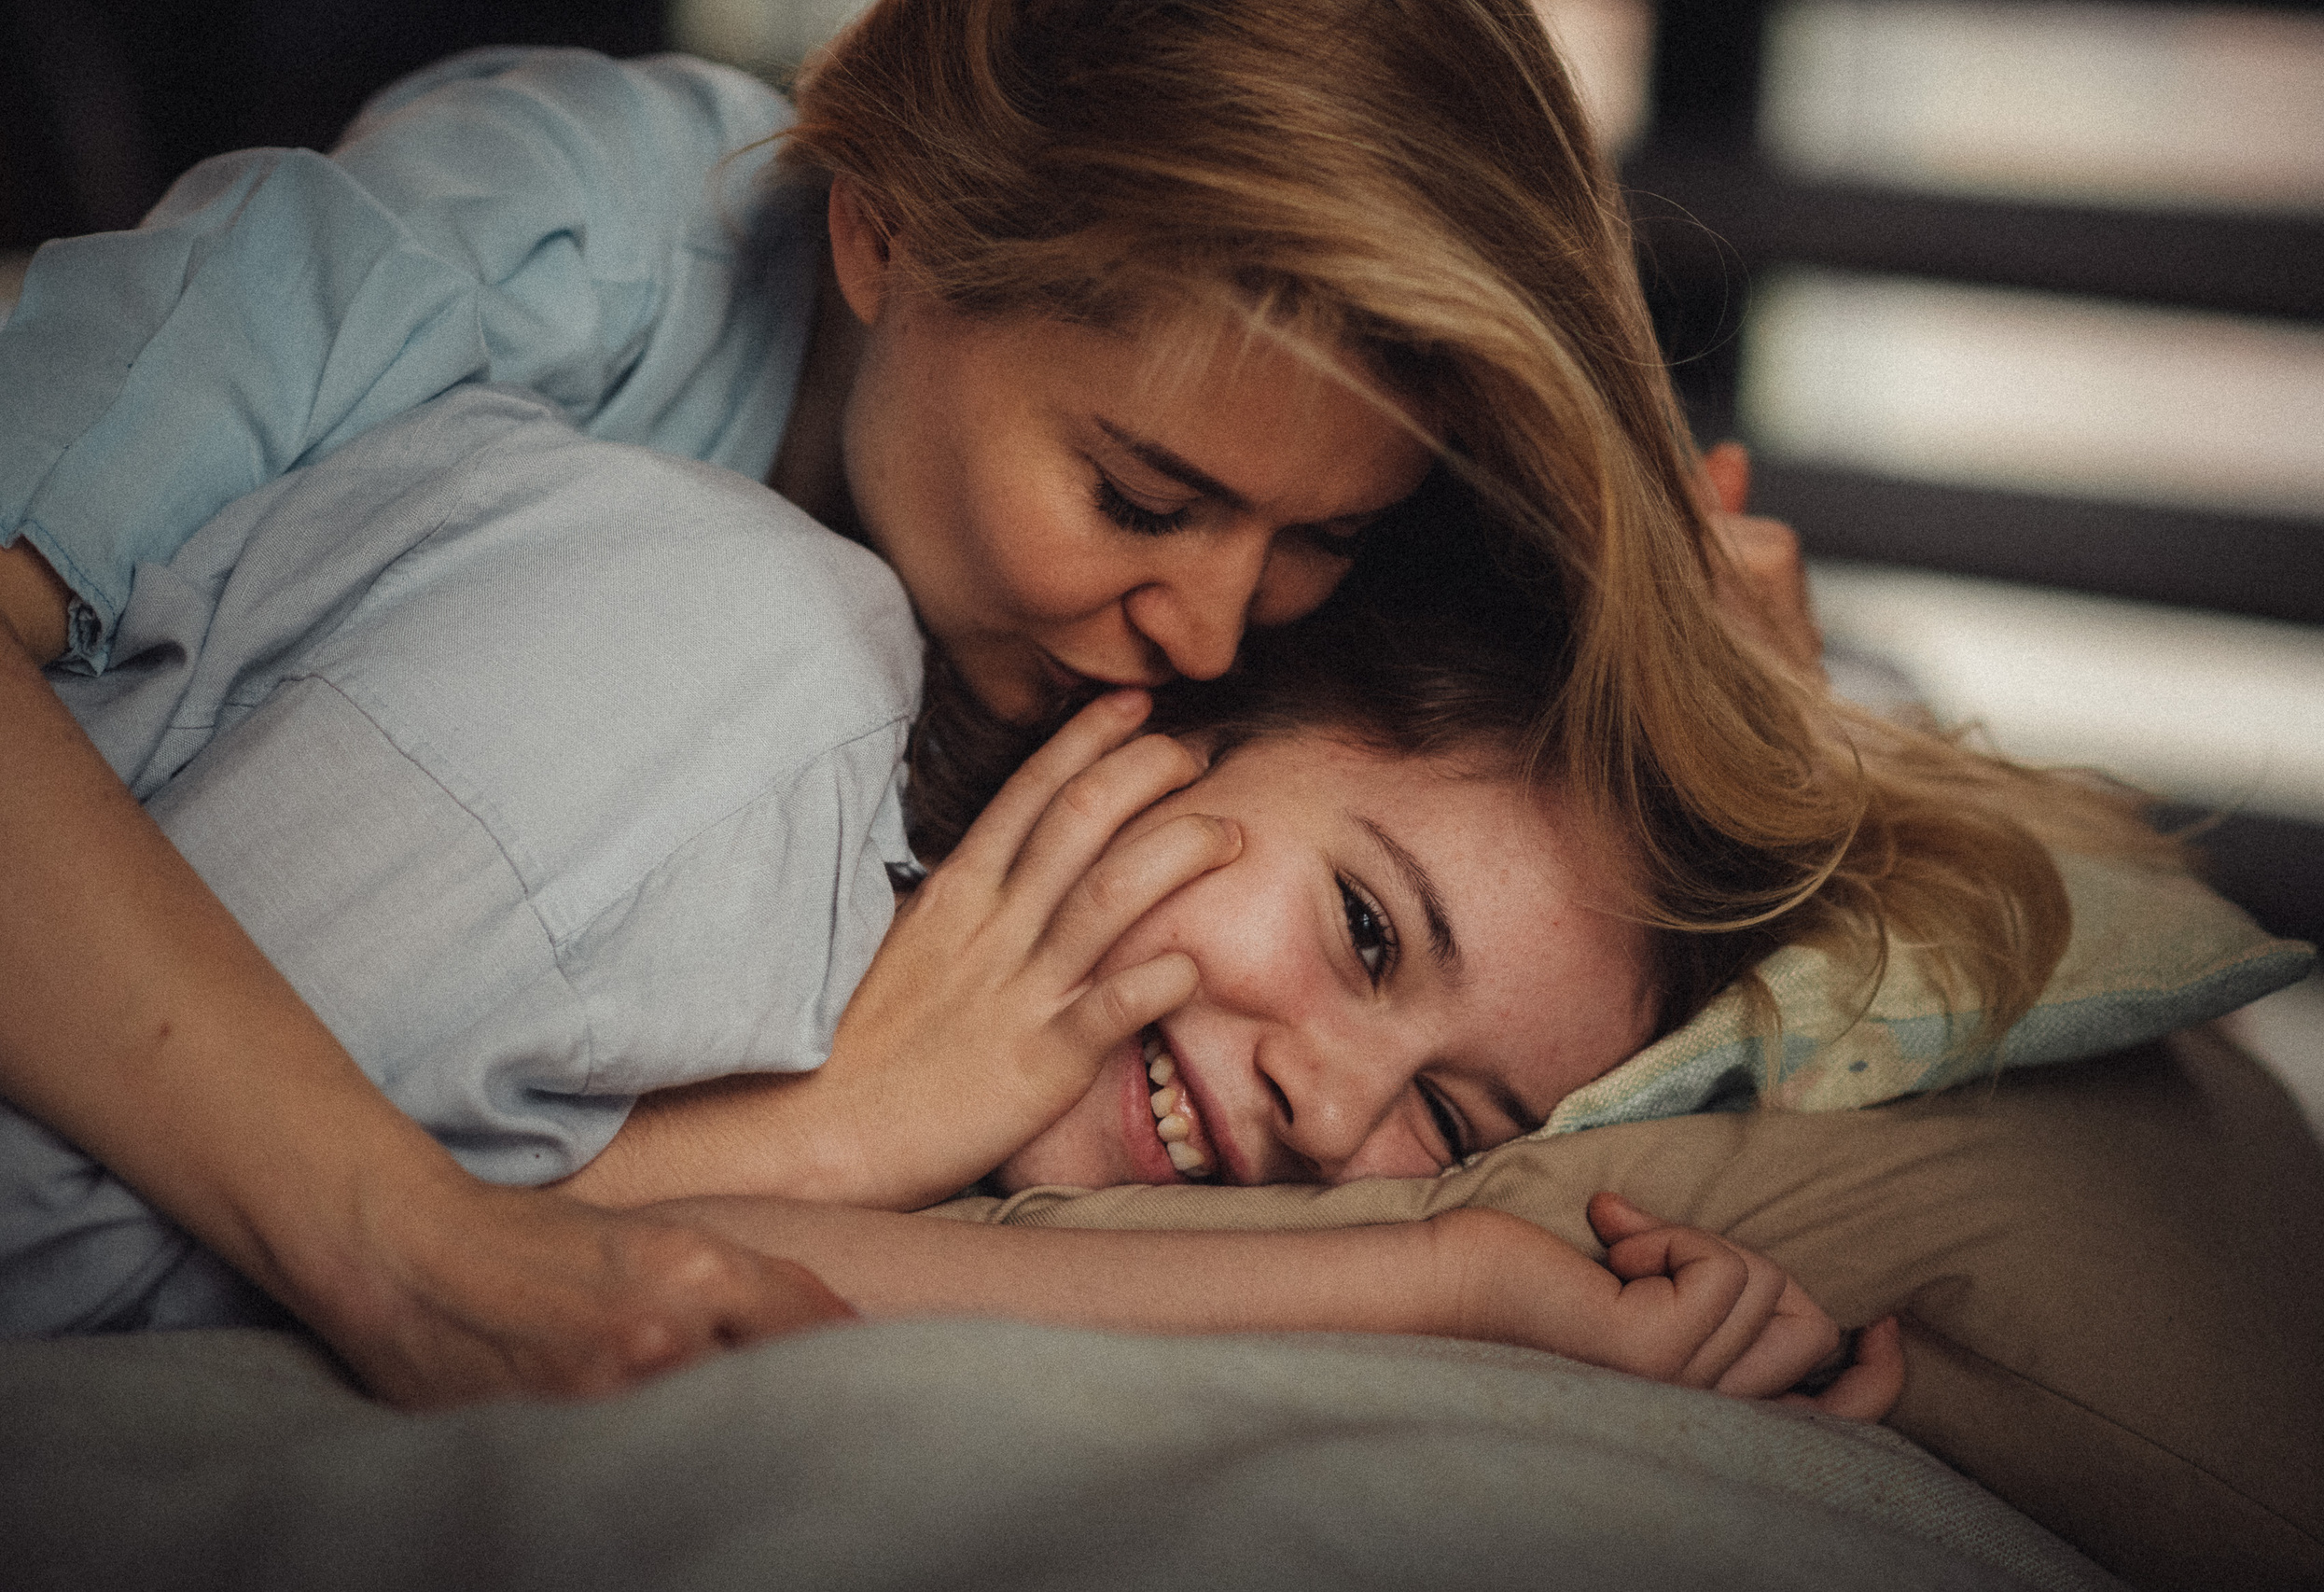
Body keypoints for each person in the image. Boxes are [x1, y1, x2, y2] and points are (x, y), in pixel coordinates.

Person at [0, 0, 2074, 1406]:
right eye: (1139, 497)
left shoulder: (1162, 726)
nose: (1201, 624)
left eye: (1315, 548)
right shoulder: (580, 259)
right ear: (887, 231)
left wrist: (1750, 687)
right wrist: (417, 1230)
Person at [1, 379, 1896, 1421]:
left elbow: (620, 1255)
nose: (1337, 1115)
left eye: (1449, 1120)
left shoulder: (915, 1058)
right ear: (1180, 698)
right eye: (1368, 932)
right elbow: (116, 1242)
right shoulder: (731, 677)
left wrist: (1469, 1283)